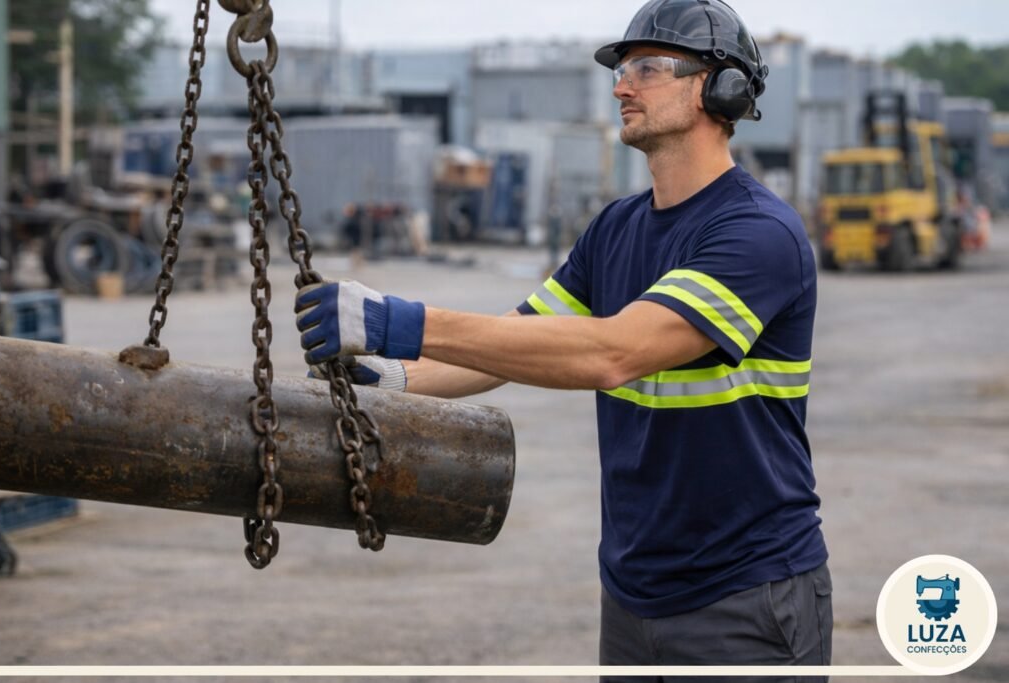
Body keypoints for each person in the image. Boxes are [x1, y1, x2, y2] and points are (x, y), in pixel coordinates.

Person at [295, 0, 831, 679]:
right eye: (621, 69)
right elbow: (516, 341)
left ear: (717, 87)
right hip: (634, 594)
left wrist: (400, 320)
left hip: (746, 595)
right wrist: (393, 380)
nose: (620, 85)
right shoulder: (617, 229)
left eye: (646, 68)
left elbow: (613, 352)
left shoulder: (758, 235)